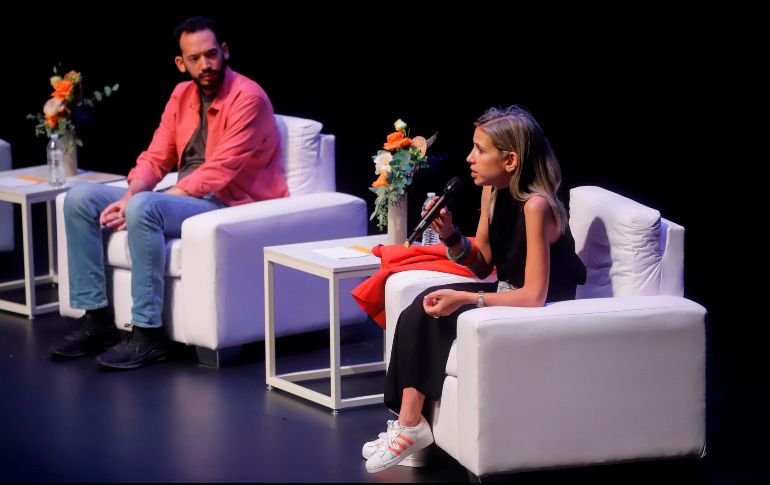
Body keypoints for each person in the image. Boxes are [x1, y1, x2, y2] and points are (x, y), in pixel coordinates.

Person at [50, 16, 288, 369]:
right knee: (80, 198)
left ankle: (148, 335)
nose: (205, 65)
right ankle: (96, 320)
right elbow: (156, 156)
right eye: (195, 59)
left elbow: (218, 171)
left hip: (229, 202)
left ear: (224, 51)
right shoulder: (182, 95)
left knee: (145, 207)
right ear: (181, 63)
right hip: (185, 197)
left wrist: (147, 201)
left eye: (211, 54)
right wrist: (130, 194)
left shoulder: (248, 98)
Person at [362, 105, 587, 473]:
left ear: (510, 160)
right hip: (507, 294)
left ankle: (408, 428)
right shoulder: (493, 193)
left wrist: (466, 298)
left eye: (481, 150)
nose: (470, 158)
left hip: (544, 311)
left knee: (441, 309)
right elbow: (481, 261)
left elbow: (534, 296)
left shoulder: (536, 206)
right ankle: (409, 426)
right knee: (423, 304)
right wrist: (450, 233)